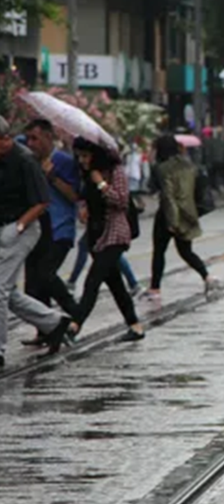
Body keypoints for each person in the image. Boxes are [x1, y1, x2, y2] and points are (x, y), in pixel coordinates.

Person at [0, 117, 73, 366]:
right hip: (5, 227)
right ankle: (54, 322)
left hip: (24, 228)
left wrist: (19, 225)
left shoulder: (25, 160)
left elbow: (42, 202)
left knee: (0, 289)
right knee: (6, 292)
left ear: (5, 140)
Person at [67, 137, 145, 342]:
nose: (82, 160)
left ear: (96, 155)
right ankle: (135, 326)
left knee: (93, 280)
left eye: (86, 156)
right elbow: (85, 198)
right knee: (115, 283)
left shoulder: (114, 171)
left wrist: (100, 182)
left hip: (115, 233)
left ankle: (75, 325)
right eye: (79, 156)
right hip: (95, 234)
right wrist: (83, 208)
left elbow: (121, 200)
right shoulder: (86, 174)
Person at [20, 119, 81, 347]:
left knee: (46, 274)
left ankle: (75, 312)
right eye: (29, 139)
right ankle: (44, 330)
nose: (31, 143)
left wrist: (53, 175)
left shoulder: (64, 162)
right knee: (33, 284)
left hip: (59, 229)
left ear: (48, 137)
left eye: (35, 138)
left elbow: (75, 196)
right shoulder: (29, 161)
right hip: (35, 229)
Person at [141, 135, 218, 302]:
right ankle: (207, 277)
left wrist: (171, 221)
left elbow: (163, 194)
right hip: (187, 214)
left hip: (167, 215)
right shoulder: (190, 166)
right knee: (186, 251)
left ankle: (155, 289)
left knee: (159, 252)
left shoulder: (160, 168)